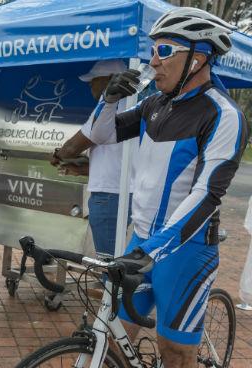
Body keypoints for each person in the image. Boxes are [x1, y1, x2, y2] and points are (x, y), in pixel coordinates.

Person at [87, 8, 249, 367]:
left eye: (164, 51)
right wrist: (109, 99)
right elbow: (101, 135)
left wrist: (155, 250)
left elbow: (207, 194)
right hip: (142, 240)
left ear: (198, 58)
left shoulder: (223, 115)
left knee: (174, 353)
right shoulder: (155, 104)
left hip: (186, 251)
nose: (152, 61)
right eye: (152, 51)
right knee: (111, 336)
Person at [51, 60, 131, 258]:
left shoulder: (107, 110)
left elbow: (72, 147)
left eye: (93, 80)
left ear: (110, 80)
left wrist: (57, 156)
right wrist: (81, 168)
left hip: (109, 197)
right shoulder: (134, 106)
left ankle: (111, 289)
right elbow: (116, 159)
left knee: (109, 263)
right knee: (118, 260)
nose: (89, 85)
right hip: (123, 193)